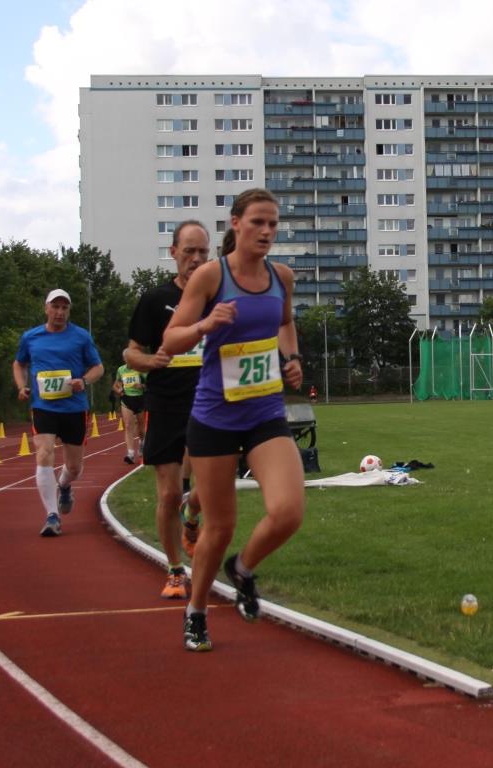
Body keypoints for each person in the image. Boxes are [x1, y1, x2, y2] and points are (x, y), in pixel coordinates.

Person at [162, 188, 304, 652]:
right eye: (258, 222)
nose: (267, 232)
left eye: (273, 224)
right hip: (215, 418)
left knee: (287, 513)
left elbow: (284, 322)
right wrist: (205, 326)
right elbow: (172, 339)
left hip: (264, 412)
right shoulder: (210, 276)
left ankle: (242, 569)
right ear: (236, 224)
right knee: (219, 527)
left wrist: (291, 356)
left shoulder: (282, 277)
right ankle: (197, 611)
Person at [124, 220, 210, 599]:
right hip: (165, 404)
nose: (195, 259)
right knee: (169, 494)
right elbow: (130, 352)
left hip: (210, 404)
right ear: (173, 252)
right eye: (188, 251)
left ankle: (192, 520)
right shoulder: (154, 299)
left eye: (202, 252)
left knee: (207, 489)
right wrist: (151, 361)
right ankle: (175, 570)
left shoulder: (219, 298)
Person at [13, 288, 104, 537]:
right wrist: (22, 387)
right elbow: (19, 362)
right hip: (44, 407)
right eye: (56, 307)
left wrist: (83, 381)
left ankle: (64, 486)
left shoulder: (81, 337)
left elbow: (98, 368)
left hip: (74, 408)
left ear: (69, 311)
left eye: (64, 308)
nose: (60, 312)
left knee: (74, 467)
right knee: (44, 453)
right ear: (46, 308)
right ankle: (52, 516)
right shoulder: (31, 337)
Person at [113, 362, 147, 464]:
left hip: (140, 399)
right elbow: (116, 384)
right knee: (128, 425)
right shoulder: (121, 369)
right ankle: (130, 454)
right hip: (127, 399)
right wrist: (118, 390)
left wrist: (141, 386)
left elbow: (150, 384)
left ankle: (142, 443)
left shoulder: (140, 369)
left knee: (141, 428)